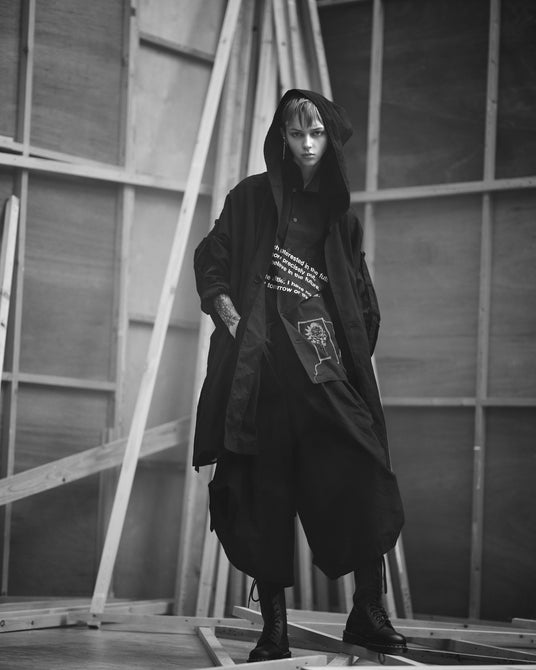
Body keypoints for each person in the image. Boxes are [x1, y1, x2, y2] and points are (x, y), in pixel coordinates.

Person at [193, 89, 406, 662]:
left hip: (320, 368)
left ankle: (368, 611)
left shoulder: (341, 218)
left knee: (364, 467)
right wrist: (237, 325)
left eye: (316, 133)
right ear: (282, 138)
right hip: (259, 373)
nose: (307, 144)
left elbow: (362, 304)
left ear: (329, 138)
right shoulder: (248, 198)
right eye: (296, 133)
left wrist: (344, 362)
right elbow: (211, 264)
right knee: (264, 491)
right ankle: (274, 631)